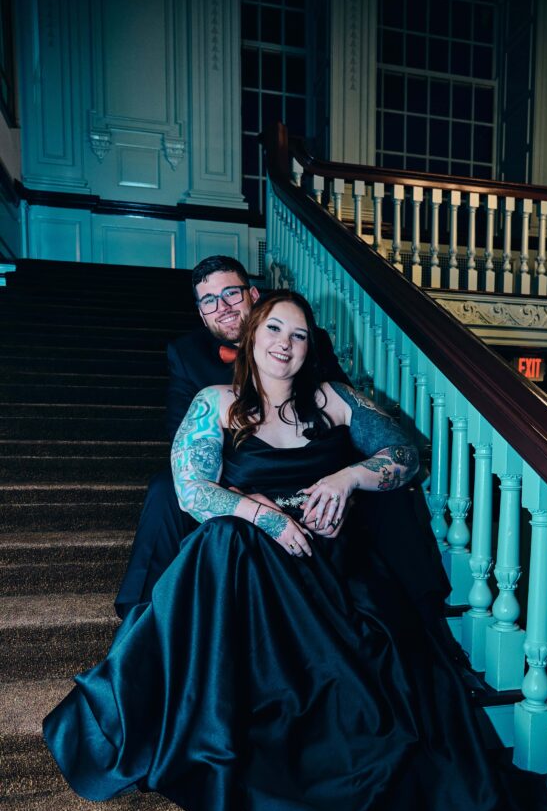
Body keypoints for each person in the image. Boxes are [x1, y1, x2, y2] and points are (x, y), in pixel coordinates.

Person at [44, 290, 547, 811]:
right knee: (223, 542)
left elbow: (404, 455)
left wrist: (348, 477)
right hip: (257, 575)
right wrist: (260, 512)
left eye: (299, 333)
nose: (286, 344)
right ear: (252, 335)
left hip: (336, 577)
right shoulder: (217, 404)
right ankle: (183, 704)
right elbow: (193, 490)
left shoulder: (332, 399)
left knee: (374, 711)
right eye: (274, 330)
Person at [115, 255, 449, 622]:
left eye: (231, 294)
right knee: (165, 486)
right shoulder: (190, 360)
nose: (222, 308)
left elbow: (348, 430)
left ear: (253, 295)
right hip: (235, 468)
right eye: (209, 301)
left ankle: (419, 608)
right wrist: (245, 498)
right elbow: (185, 450)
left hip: (314, 463)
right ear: (201, 311)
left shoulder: (314, 354)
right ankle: (145, 612)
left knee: (389, 490)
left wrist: (345, 488)